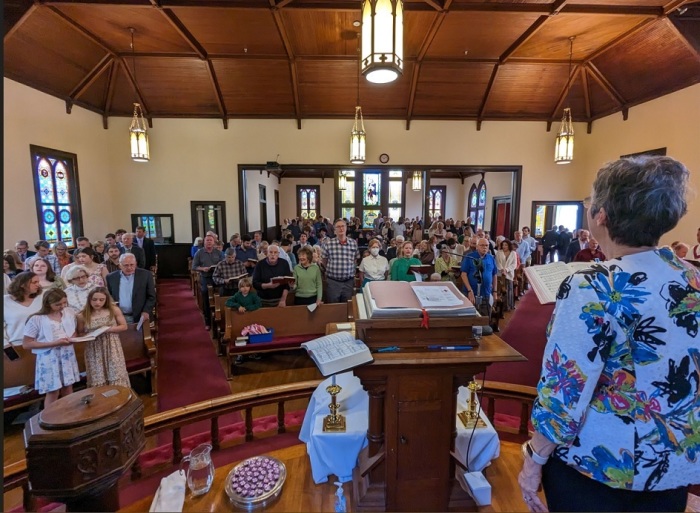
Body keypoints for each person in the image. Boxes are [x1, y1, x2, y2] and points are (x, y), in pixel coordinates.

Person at [518, 156, 699, 513]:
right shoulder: (692, 279)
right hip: (671, 461)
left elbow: (565, 387)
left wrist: (534, 458)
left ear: (601, 214)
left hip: (598, 466)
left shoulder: (592, 285)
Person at [22, 289, 80, 408]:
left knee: (68, 387)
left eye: (64, 303)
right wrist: (54, 343)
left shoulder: (68, 313)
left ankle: (71, 416)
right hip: (49, 357)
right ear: (48, 304)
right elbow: (27, 344)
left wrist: (72, 338)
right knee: (53, 391)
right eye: (58, 304)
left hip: (67, 355)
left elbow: (73, 331)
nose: (62, 306)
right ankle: (50, 420)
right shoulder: (37, 319)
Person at [76, 287, 129, 388]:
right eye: (94, 300)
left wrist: (108, 329)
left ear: (106, 299)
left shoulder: (113, 309)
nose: (98, 303)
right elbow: (80, 333)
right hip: (94, 348)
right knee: (98, 375)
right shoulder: (82, 315)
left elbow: (124, 326)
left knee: (115, 372)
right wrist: (90, 335)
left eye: (101, 300)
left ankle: (119, 398)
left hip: (112, 345)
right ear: (89, 300)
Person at [105, 253, 156, 325]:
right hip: (119, 317)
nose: (129, 268)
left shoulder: (146, 275)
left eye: (132, 265)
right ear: (119, 265)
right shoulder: (111, 277)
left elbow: (152, 297)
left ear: (136, 264)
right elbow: (110, 296)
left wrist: (146, 311)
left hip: (141, 316)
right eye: (126, 265)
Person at [322, 219, 359, 304]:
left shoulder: (353, 243)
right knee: (333, 307)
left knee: (347, 307)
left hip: (348, 282)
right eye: (338, 227)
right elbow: (324, 261)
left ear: (346, 228)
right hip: (333, 282)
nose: (341, 229)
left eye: (343, 226)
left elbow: (355, 260)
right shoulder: (329, 243)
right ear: (335, 230)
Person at [191, 235, 223, 328]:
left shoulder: (218, 252)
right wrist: (202, 268)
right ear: (204, 242)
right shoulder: (199, 253)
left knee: (223, 291)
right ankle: (207, 321)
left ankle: (220, 317)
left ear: (214, 242)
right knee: (205, 293)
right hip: (206, 277)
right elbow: (194, 267)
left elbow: (223, 263)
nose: (209, 242)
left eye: (211, 240)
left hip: (217, 276)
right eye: (207, 240)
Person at [4, 272, 44, 347]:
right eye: (34, 282)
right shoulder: (5, 301)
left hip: (41, 343)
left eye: (38, 282)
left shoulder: (41, 298)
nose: (38, 285)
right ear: (22, 284)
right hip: (16, 345)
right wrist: (5, 345)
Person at [461, 238, 498, 314]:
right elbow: (463, 274)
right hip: (471, 293)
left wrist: (495, 291)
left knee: (486, 318)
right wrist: (469, 290)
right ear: (477, 247)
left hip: (486, 293)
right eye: (482, 245)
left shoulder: (491, 258)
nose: (485, 247)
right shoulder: (470, 257)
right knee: (471, 318)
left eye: (487, 245)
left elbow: (494, 275)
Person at [495, 239, 517, 311]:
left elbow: (514, 264)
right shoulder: (499, 252)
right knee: (501, 290)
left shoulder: (513, 253)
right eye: (503, 245)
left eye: (506, 245)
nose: (504, 246)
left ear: (509, 246)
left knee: (509, 290)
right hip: (500, 273)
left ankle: (508, 306)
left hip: (509, 274)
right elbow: (497, 262)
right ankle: (501, 307)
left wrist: (506, 270)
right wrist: (502, 270)